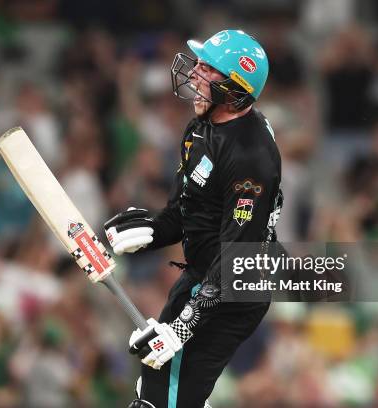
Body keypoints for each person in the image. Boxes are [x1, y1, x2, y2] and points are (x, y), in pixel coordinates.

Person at [105, 29, 283, 408]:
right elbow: (183, 213)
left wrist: (181, 328)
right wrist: (150, 231)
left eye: (209, 69)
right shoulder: (200, 127)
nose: (195, 73)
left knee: (166, 396)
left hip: (236, 290)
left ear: (236, 88)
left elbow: (238, 259)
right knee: (153, 387)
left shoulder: (252, 157)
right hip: (203, 276)